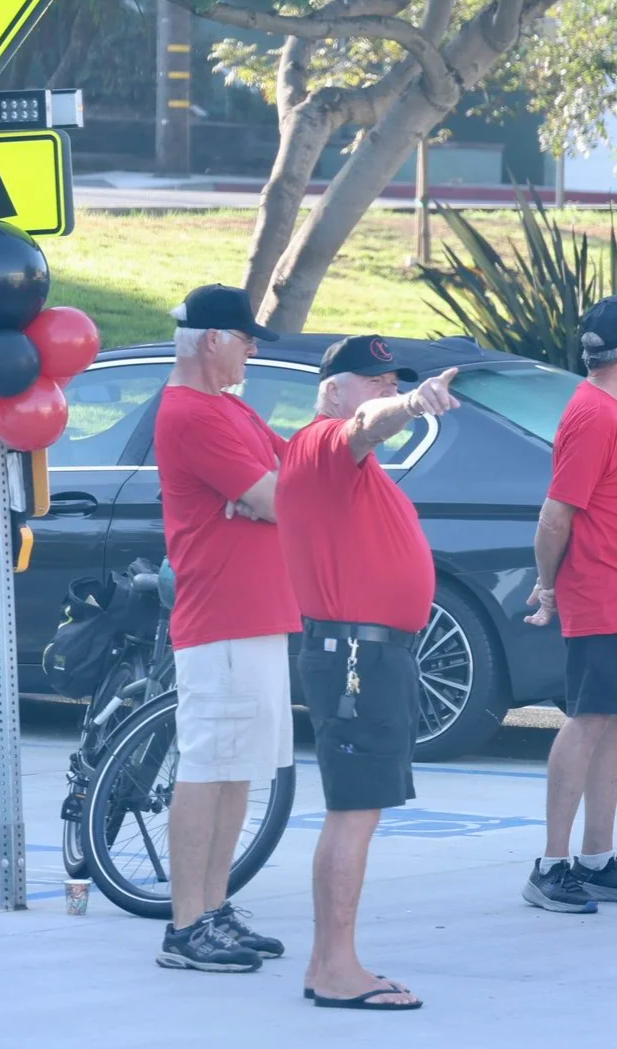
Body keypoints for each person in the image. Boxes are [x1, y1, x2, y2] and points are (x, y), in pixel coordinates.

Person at [276, 336, 460, 1010]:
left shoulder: (353, 471)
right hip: (356, 655)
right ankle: (336, 969)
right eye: (374, 380)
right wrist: (411, 403)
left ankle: (329, 961)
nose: (385, 391)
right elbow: (364, 425)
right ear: (333, 389)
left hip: (370, 654)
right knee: (353, 813)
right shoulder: (323, 440)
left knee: (358, 810)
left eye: (394, 381)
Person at [153, 285, 298, 973]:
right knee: (209, 765)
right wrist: (264, 497)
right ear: (212, 339)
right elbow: (277, 496)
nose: (253, 348)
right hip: (221, 619)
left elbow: (293, 474)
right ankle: (186, 925)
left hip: (260, 613)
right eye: (245, 338)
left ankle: (213, 908)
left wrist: (270, 495)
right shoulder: (189, 412)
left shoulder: (230, 407)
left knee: (240, 765)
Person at [520, 295, 617, 913]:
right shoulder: (592, 414)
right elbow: (557, 513)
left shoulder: (612, 409)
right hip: (604, 595)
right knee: (588, 720)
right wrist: (547, 585)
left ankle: (596, 858)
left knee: (616, 721)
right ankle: (551, 864)